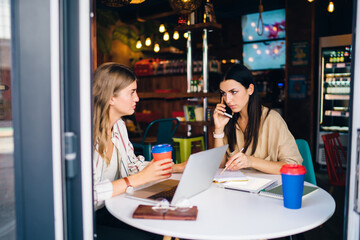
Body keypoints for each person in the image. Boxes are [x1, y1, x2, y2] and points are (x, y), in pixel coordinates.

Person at [93, 63, 173, 240]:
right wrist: (137, 179)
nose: (137, 98)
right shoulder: (88, 136)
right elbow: (87, 196)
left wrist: (173, 168)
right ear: (111, 98)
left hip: (114, 206)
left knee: (166, 219)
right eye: (132, 92)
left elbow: (131, 165)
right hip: (90, 220)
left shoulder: (119, 126)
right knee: (153, 234)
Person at [213, 64, 302, 175]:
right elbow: (220, 166)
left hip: (268, 189)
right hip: (236, 188)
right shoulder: (228, 121)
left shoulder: (271, 120)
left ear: (250, 89)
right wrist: (218, 130)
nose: (228, 99)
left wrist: (250, 161)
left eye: (233, 92)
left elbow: (293, 166)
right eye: (224, 93)